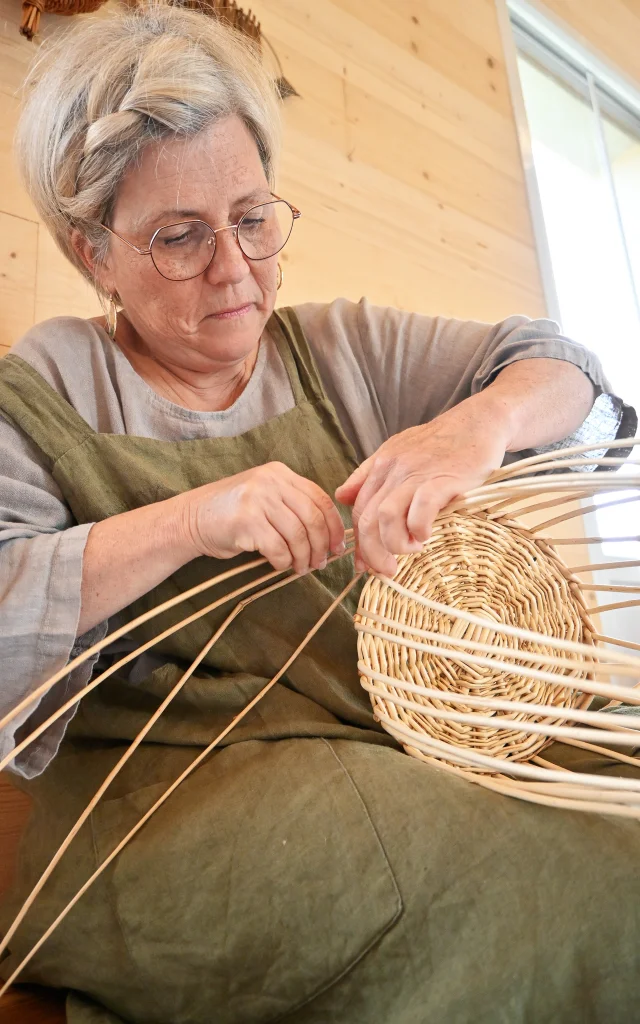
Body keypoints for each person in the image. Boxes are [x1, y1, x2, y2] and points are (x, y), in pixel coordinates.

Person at [0, 6, 638, 1023]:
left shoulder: (336, 348)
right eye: (178, 237)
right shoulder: (44, 387)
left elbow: (564, 370)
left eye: (253, 217)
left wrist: (472, 426)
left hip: (397, 738)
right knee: (549, 882)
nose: (235, 268)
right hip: (170, 799)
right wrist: (190, 519)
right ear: (92, 253)